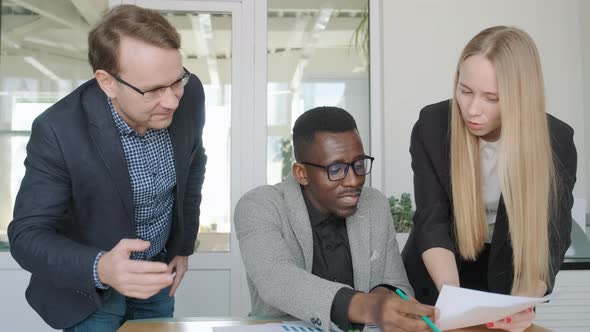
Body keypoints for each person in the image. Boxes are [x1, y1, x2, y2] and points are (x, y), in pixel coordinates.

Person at [8, 5, 207, 331]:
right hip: (90, 295)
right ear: (107, 82)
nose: (172, 100)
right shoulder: (59, 130)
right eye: (154, 90)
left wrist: (183, 248)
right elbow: (27, 236)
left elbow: (193, 165)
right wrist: (102, 268)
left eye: (177, 81)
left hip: (156, 278)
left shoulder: (189, 95)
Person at [402, 26, 577, 332]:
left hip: (505, 278)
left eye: (492, 98)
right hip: (439, 275)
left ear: (520, 96)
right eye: (465, 90)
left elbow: (551, 239)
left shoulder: (557, 142)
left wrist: (521, 304)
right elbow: (432, 221)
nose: (472, 109)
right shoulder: (432, 125)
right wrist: (453, 302)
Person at [235, 107, 436, 332]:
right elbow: (277, 279)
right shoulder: (260, 206)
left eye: (359, 165)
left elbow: (398, 285)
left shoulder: (374, 204)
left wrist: (384, 296)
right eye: (336, 168)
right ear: (302, 173)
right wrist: (370, 307)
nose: (353, 180)